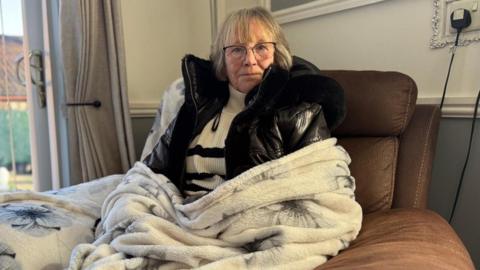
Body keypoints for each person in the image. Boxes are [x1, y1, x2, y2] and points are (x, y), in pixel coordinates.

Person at [143, 6, 345, 197]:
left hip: (249, 225)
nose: (249, 60)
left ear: (277, 55)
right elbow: (151, 173)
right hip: (181, 218)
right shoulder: (195, 106)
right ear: (223, 59)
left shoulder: (301, 110)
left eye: (261, 47)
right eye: (237, 49)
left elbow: (321, 185)